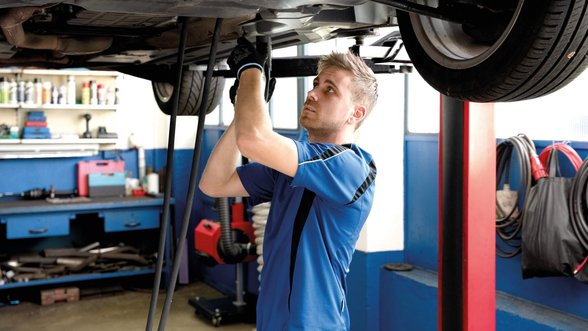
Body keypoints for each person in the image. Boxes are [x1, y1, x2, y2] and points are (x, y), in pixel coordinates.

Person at [199, 37, 378, 331]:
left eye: (329, 90)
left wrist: (251, 71)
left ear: (355, 113)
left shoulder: (353, 167)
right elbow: (214, 184)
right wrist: (241, 107)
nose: (313, 94)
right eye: (316, 84)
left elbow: (254, 140)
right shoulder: (293, 167)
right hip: (272, 323)